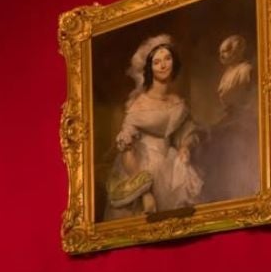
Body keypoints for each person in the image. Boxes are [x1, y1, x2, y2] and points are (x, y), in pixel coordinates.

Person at [106, 35, 202, 218]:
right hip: (143, 168)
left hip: (172, 166)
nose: (163, 65)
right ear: (150, 69)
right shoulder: (139, 106)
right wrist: (145, 192)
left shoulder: (178, 102)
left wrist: (184, 147)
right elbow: (126, 148)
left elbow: (187, 130)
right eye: (157, 62)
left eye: (167, 58)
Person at [201, 33, 258, 203]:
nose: (222, 55)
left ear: (237, 51)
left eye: (226, 51)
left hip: (243, 118)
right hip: (229, 117)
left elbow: (251, 98)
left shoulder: (246, 70)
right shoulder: (227, 73)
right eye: (221, 52)